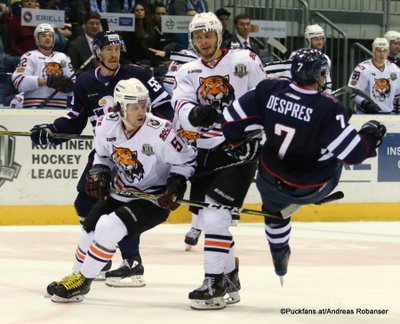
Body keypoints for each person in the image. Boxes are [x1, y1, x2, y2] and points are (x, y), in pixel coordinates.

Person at [221, 48, 387, 286]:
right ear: (320, 76)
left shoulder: (269, 89)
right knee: (334, 153)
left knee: (274, 210)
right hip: (313, 187)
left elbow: (229, 119)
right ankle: (306, 199)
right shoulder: (329, 108)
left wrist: (239, 144)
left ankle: (279, 254)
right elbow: (354, 154)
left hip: (270, 179)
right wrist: (372, 133)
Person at [29, 31, 174, 291]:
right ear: (97, 53)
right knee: (85, 203)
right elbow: (75, 120)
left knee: (125, 209)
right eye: (108, 49)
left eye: (117, 48)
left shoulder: (138, 75)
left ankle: (132, 263)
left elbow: (166, 109)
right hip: (107, 154)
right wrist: (52, 131)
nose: (114, 53)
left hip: (137, 154)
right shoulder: (85, 82)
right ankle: (102, 256)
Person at [48, 78, 196, 303]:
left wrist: (176, 183)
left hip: (153, 200)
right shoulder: (106, 124)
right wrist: (100, 171)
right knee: (89, 229)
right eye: (134, 107)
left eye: (144, 105)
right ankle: (75, 276)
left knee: (108, 226)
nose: (141, 112)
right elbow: (103, 155)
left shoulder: (161, 131)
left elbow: (186, 160)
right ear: (119, 107)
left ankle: (83, 282)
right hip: (122, 192)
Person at [171, 12, 266, 310]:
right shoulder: (186, 70)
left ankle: (213, 282)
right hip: (204, 151)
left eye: (207, 35)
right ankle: (230, 277)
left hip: (240, 148)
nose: (203, 41)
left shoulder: (246, 60)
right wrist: (194, 115)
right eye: (197, 37)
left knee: (214, 216)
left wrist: (254, 136)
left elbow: (264, 98)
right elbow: (181, 104)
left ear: (218, 35)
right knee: (216, 217)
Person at [11, 23, 74, 108]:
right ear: (37, 39)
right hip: (34, 109)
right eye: (44, 36)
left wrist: (68, 86)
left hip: (60, 109)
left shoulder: (64, 57)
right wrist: (45, 81)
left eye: (50, 36)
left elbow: (73, 88)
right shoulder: (29, 56)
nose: (48, 38)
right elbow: (18, 81)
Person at [264, 24, 332, 94]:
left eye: (321, 39)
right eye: (316, 39)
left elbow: (326, 79)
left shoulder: (326, 59)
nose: (320, 42)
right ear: (308, 40)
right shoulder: (297, 55)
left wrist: (327, 94)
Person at [348, 37, 400, 114]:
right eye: (379, 50)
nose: (382, 54)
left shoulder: (395, 69)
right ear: (373, 51)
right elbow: (352, 91)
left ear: (388, 52)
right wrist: (365, 103)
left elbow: (397, 94)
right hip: (364, 115)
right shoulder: (362, 69)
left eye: (384, 51)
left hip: (388, 115)